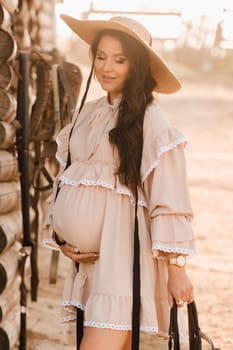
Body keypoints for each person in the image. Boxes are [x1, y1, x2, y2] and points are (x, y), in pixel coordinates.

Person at [42, 15, 197, 350]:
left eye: (119, 59)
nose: (106, 67)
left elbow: (167, 193)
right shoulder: (89, 112)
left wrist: (176, 267)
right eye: (100, 56)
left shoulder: (150, 118)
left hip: (123, 260)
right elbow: (69, 178)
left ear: (136, 66)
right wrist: (61, 235)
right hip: (90, 266)